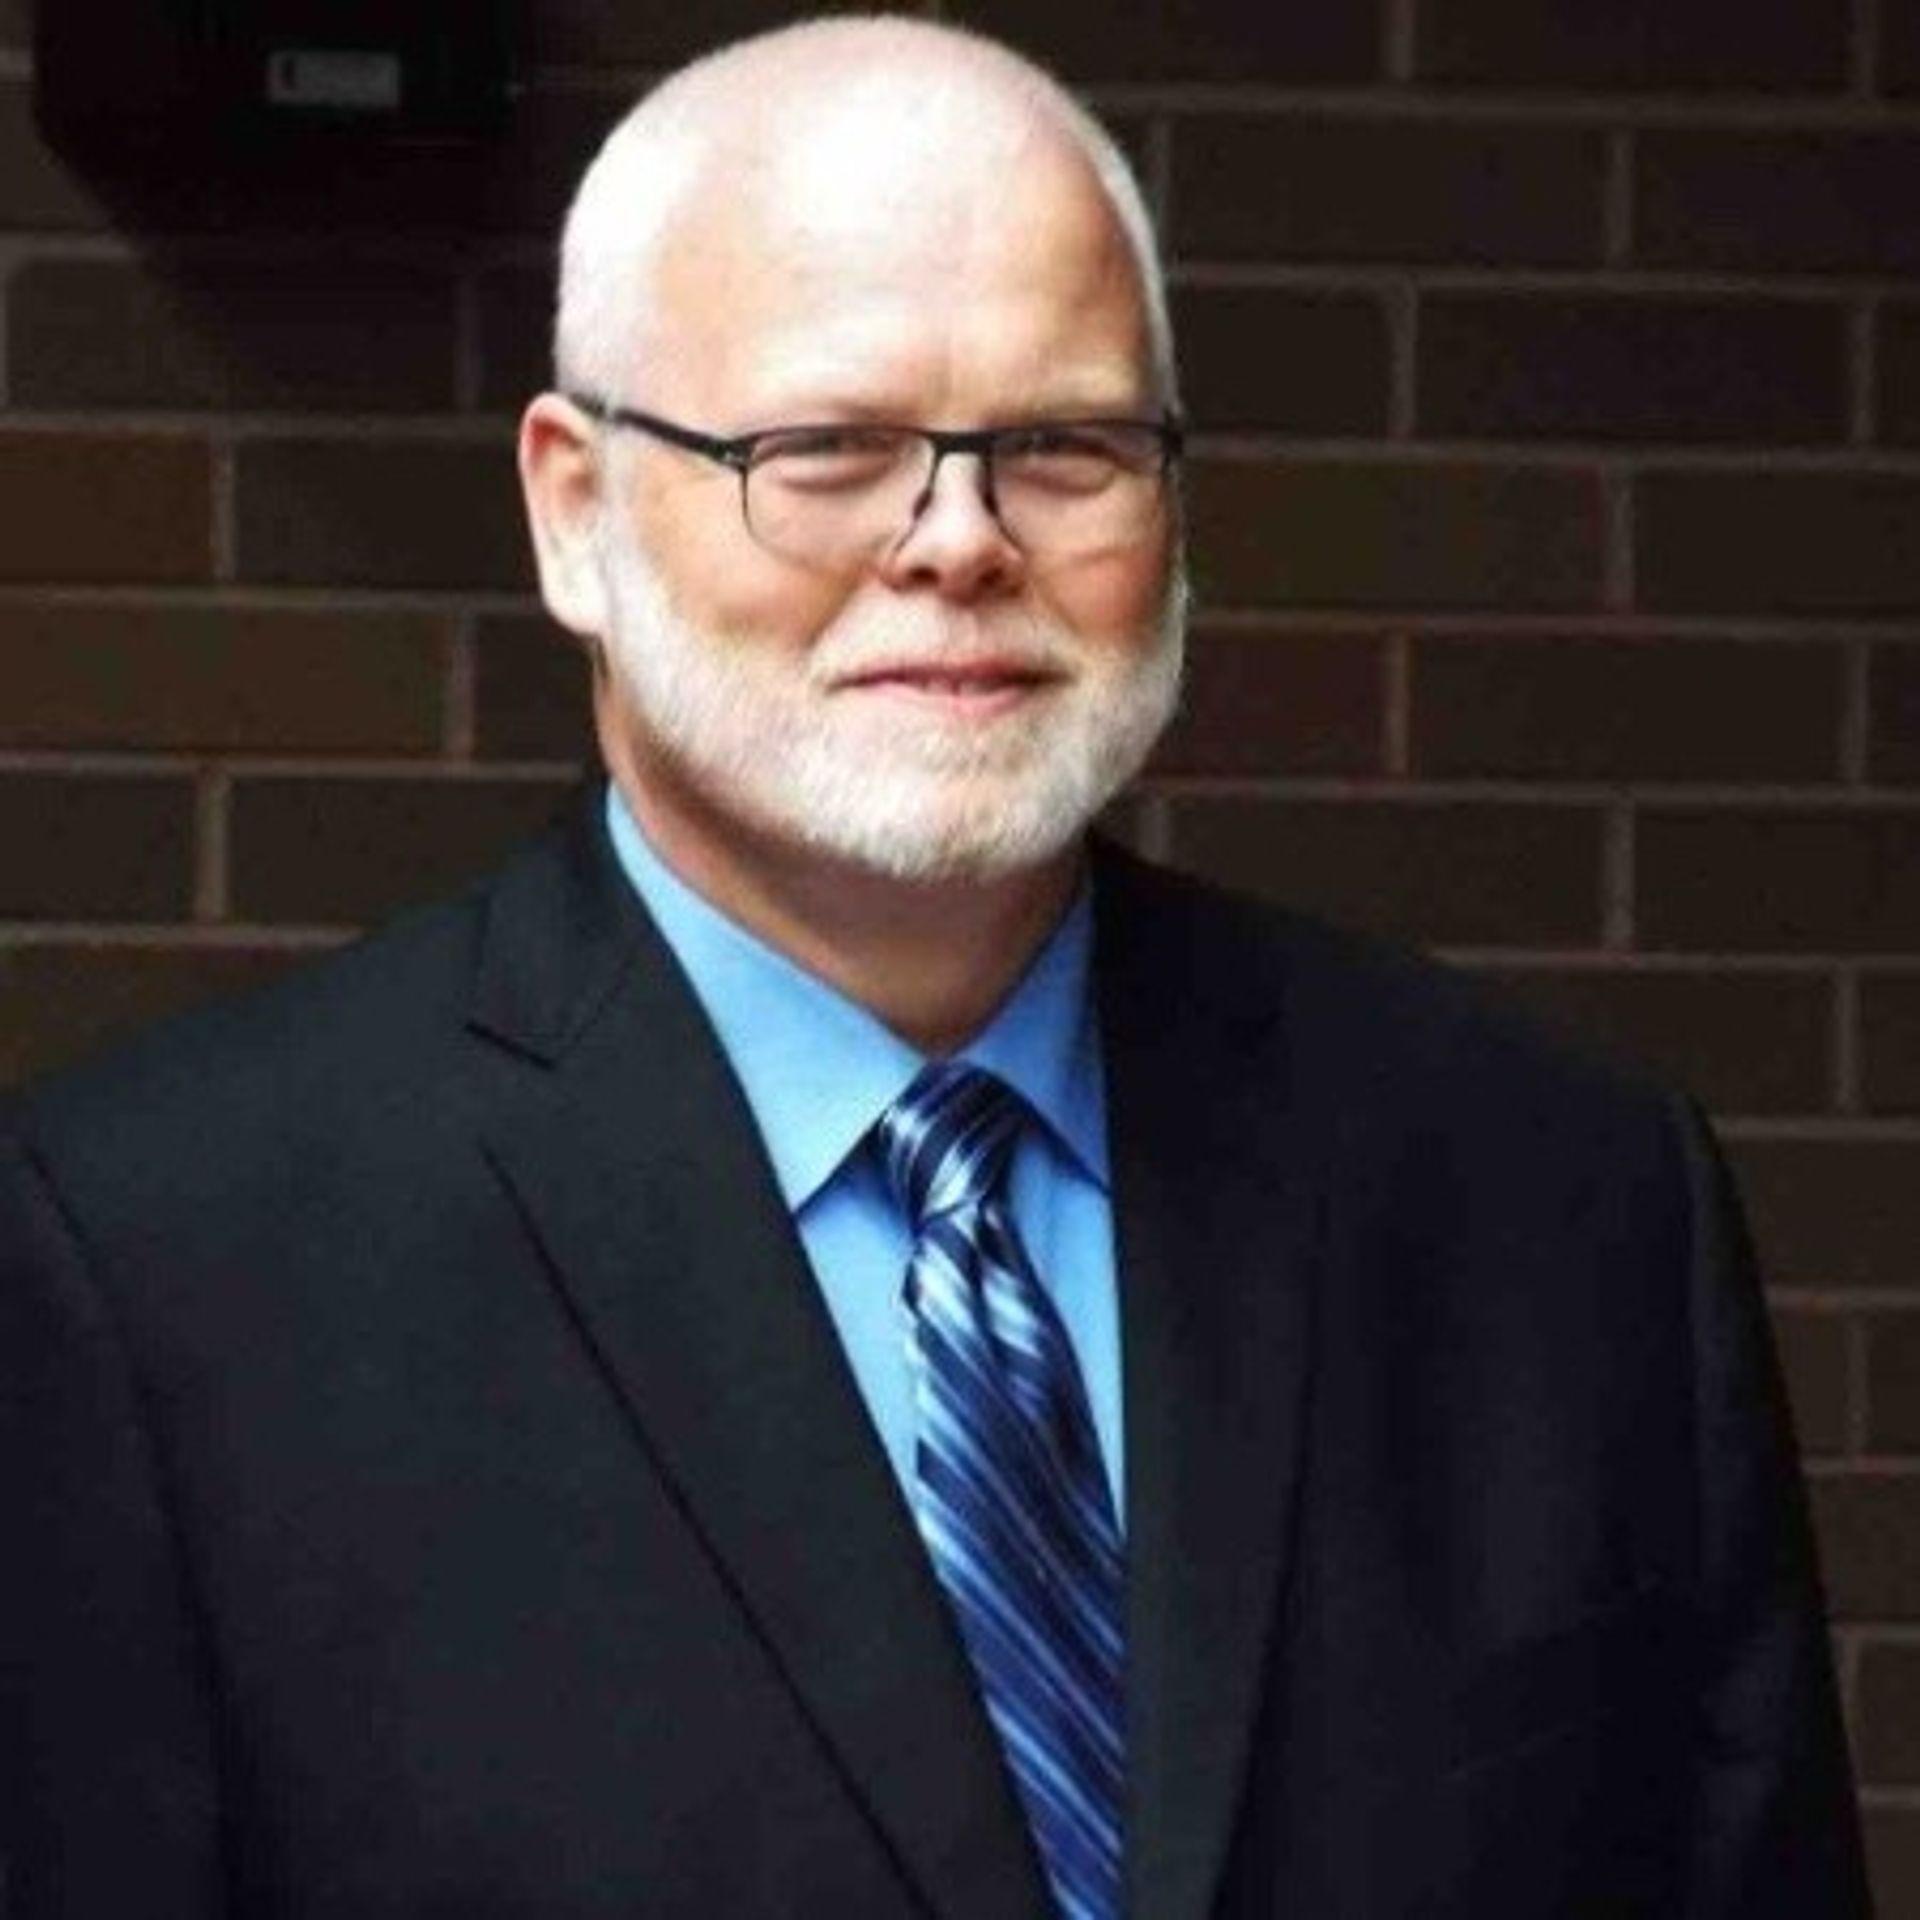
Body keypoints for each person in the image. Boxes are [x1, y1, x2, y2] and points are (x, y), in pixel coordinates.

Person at [0, 16, 1870, 1918]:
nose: (959, 542)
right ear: (575, 510)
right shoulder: (158, 1269)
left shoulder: (1565, 1205)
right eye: (827, 450)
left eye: (1063, 447)